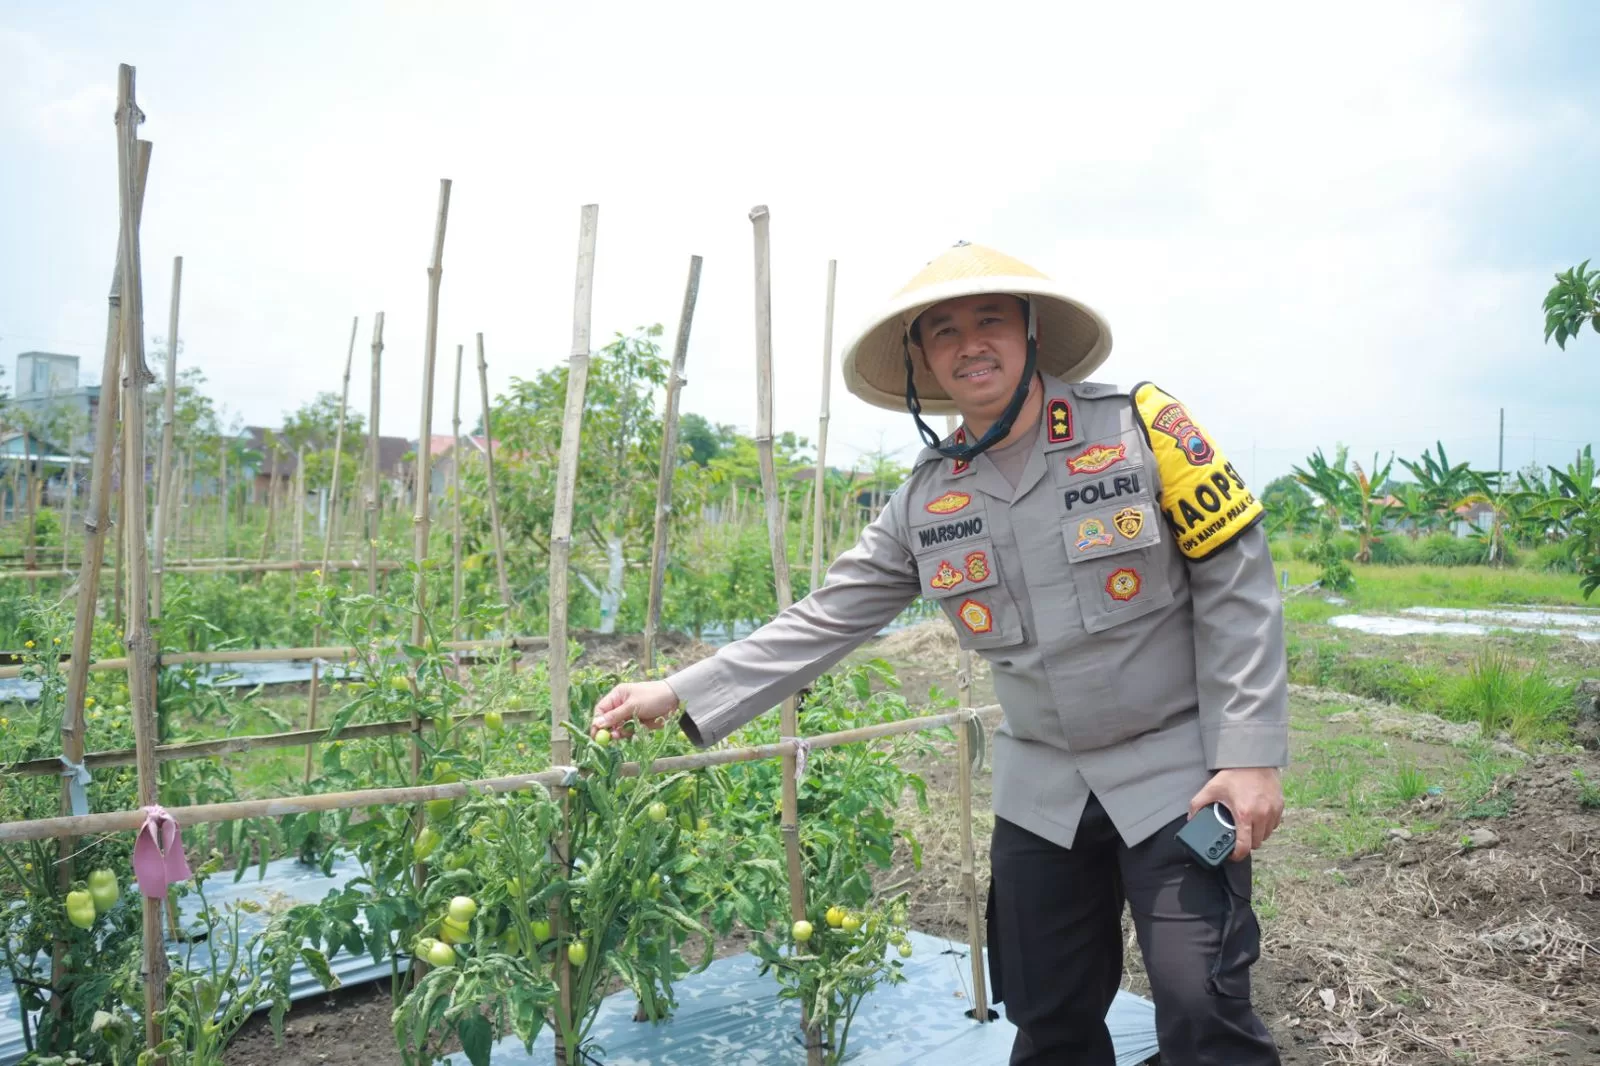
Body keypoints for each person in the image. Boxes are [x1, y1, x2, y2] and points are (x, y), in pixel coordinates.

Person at [590, 241, 1288, 1065]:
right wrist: (676, 689)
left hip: (1178, 770)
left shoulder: (1139, 429)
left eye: (990, 320)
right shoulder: (927, 497)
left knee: (1199, 1006)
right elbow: (827, 616)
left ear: (1030, 333)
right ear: (923, 361)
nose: (970, 344)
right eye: (944, 332)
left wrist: (1250, 755)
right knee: (1048, 1016)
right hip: (1043, 792)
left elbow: (1237, 584)